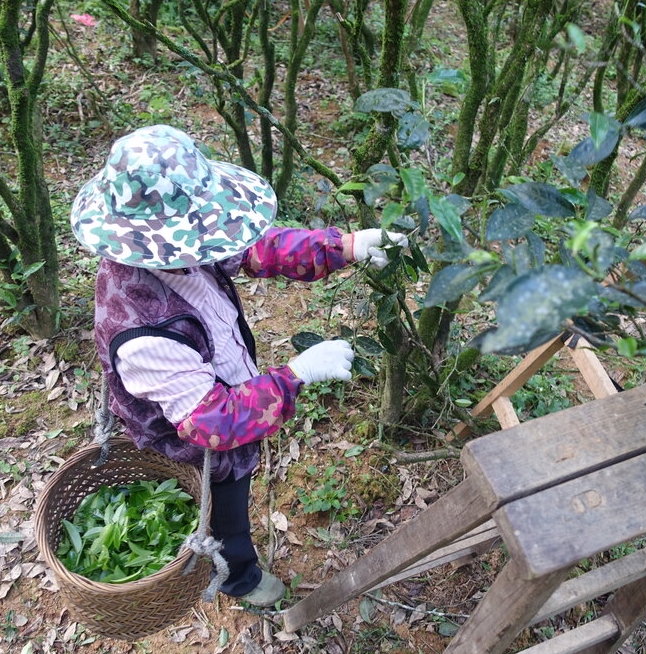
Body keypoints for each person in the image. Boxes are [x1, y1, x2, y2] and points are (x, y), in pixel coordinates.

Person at [70, 124, 407, 606]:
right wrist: (296, 375)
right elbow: (214, 423)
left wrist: (345, 245)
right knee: (224, 516)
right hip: (195, 446)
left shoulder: (178, 249)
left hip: (225, 391)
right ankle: (239, 579)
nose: (214, 239)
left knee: (229, 502)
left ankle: (235, 568)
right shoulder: (142, 331)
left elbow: (250, 248)